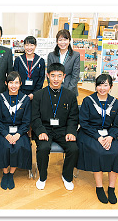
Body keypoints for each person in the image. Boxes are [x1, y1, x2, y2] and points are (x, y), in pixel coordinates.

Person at [30, 63, 79, 191]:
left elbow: (73, 117)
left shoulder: (70, 95)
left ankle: (67, 176)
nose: (56, 79)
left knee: (73, 148)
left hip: (63, 129)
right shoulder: (39, 95)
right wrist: (40, 131)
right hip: (44, 129)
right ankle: (43, 177)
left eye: (59, 76)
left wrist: (71, 132)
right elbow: (34, 117)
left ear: (64, 76)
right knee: (43, 147)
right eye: (53, 76)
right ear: (48, 76)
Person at [77, 73, 118, 204]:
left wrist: (110, 137)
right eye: (99, 85)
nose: (102, 88)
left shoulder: (115, 103)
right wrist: (98, 137)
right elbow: (84, 123)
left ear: (111, 87)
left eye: (105, 85)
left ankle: (112, 188)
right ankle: (99, 187)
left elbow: (117, 126)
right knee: (98, 151)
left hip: (108, 134)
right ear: (96, 86)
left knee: (115, 151)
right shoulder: (88, 101)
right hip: (89, 133)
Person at [0, 71, 33, 190]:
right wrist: (6, 135)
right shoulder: (0, 98)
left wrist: (18, 134)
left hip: (20, 131)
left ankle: (11, 173)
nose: (13, 86)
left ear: (20, 84)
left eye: (16, 83)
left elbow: (26, 121)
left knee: (19, 146)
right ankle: (5, 173)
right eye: (10, 82)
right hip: (2, 130)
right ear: (6, 83)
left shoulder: (25, 99)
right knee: (3, 146)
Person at [47, 28, 80, 95]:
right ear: (57, 42)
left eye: (65, 40)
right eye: (60, 40)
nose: (63, 43)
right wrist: (53, 88)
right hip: (54, 90)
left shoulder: (75, 55)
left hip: (70, 90)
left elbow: (75, 75)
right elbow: (49, 73)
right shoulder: (51, 55)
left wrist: (68, 91)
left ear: (69, 41)